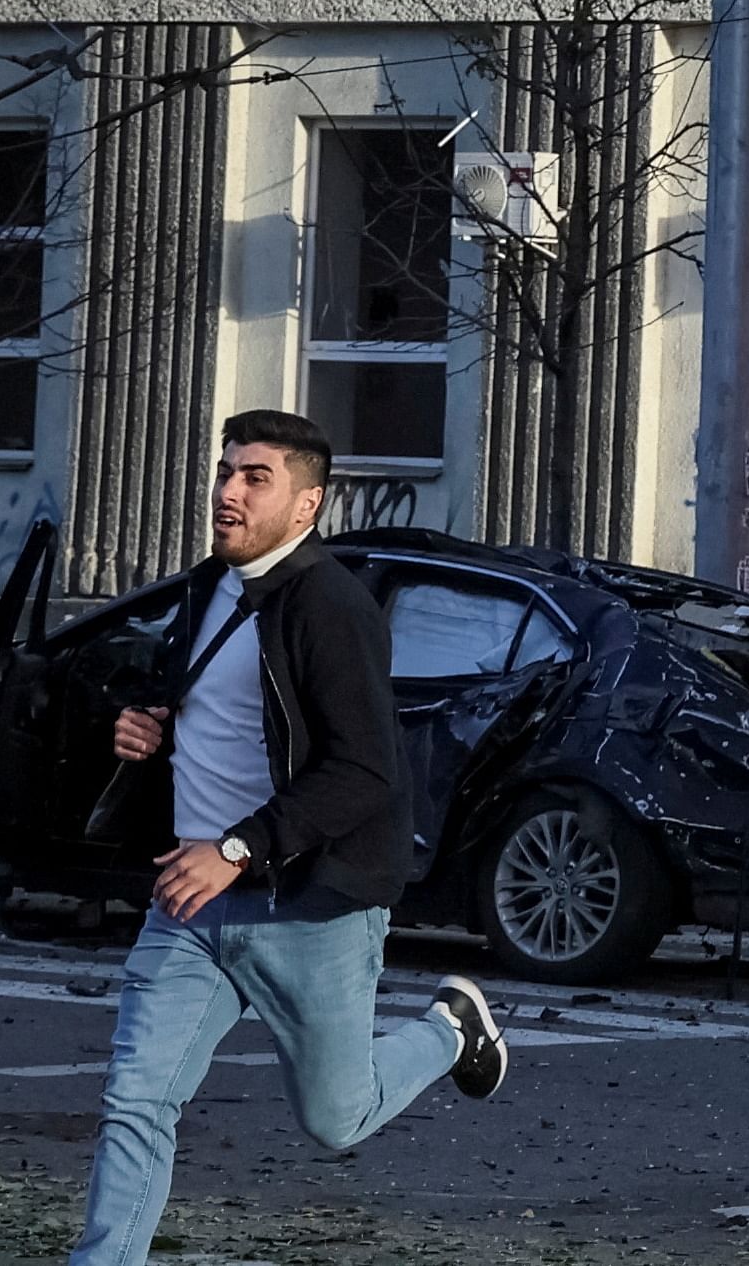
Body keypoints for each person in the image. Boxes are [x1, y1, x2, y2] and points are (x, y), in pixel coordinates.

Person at [69, 410, 507, 1266]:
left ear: (306, 505)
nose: (228, 493)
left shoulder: (331, 606)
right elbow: (200, 702)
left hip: (305, 904)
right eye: (226, 472)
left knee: (335, 1120)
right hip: (189, 902)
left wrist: (237, 848)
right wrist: (142, 723)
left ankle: (453, 1028)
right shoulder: (206, 587)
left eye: (254, 478)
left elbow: (365, 772)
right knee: (135, 1100)